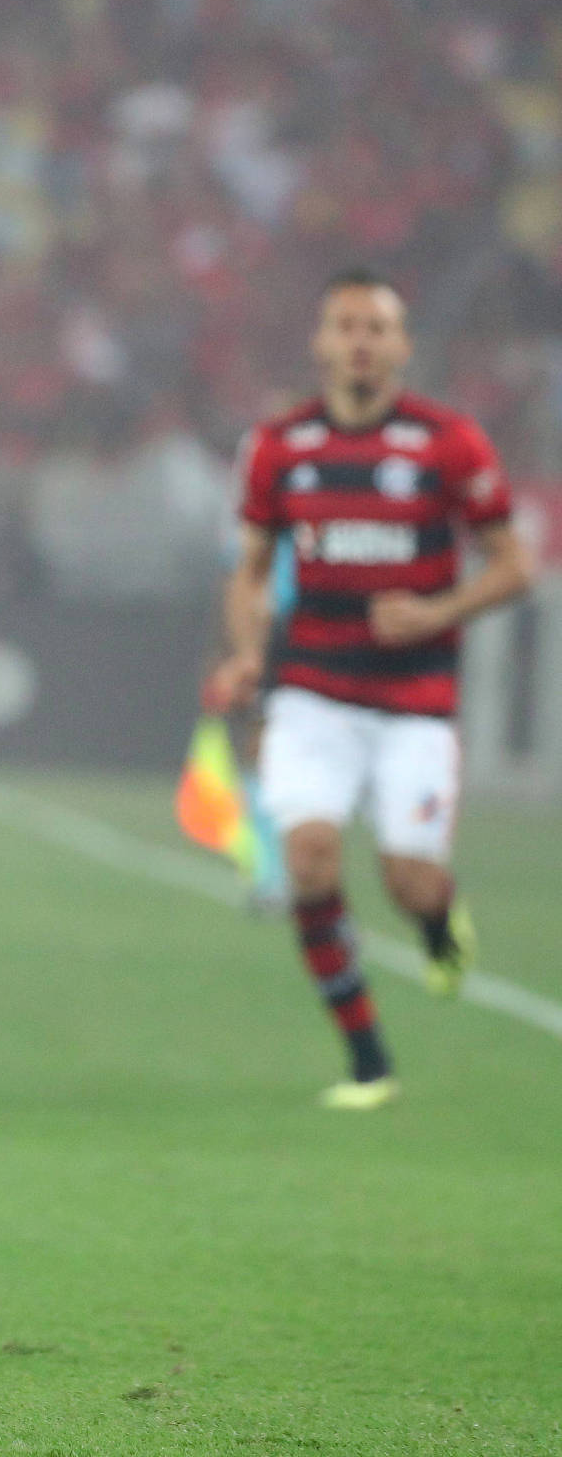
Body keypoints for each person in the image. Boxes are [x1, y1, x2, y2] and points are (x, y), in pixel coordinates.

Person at [205, 268, 529, 1111]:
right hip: (313, 690)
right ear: (321, 343)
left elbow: (514, 563)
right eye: (345, 326)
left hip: (415, 701)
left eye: (375, 328)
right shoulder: (280, 446)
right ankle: (367, 1059)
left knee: (408, 879)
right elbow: (247, 574)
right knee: (308, 860)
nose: (359, 341)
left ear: (401, 346)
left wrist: (436, 613)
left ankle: (436, 924)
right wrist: (248, 654)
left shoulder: (448, 442)